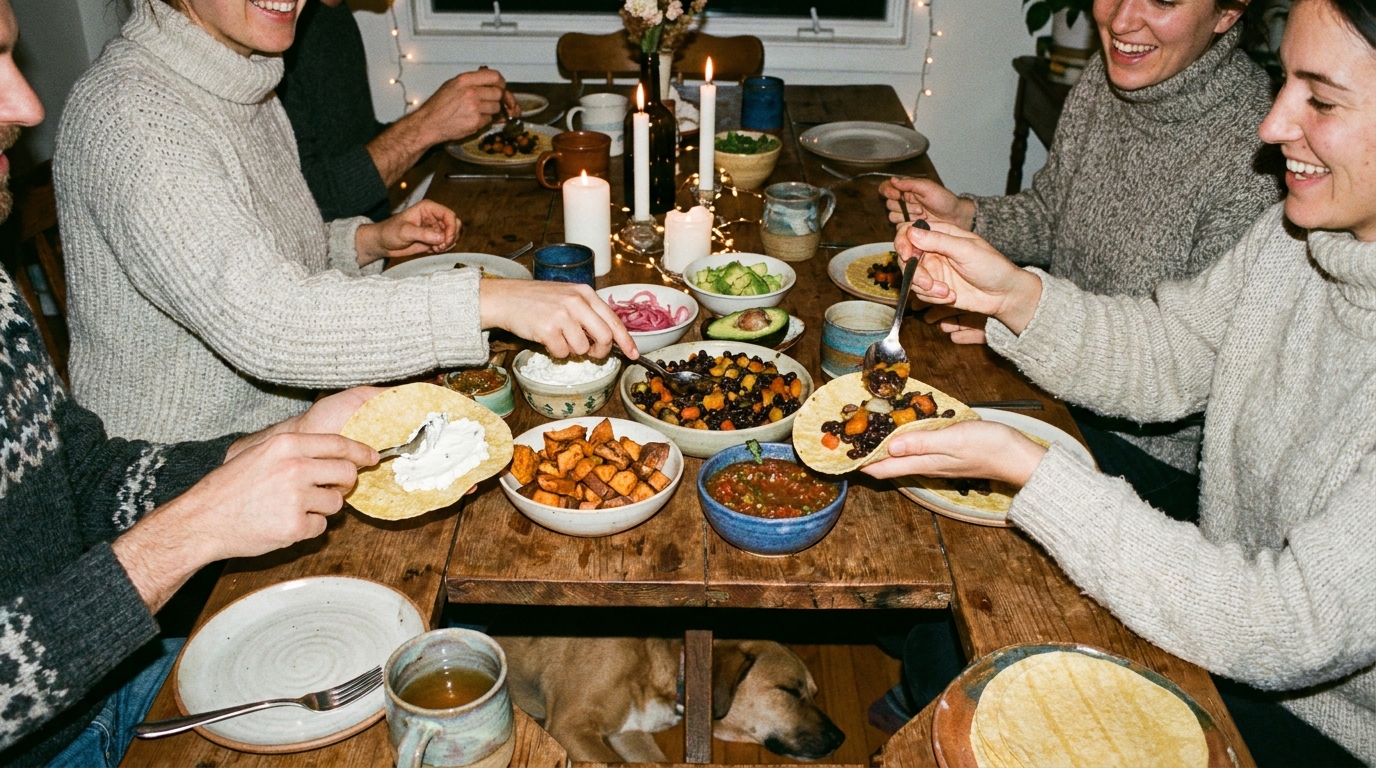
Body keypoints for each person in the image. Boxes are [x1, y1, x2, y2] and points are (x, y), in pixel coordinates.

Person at [866, 0, 1376, 762]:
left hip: (1323, 721)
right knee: (964, 661)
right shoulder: (1296, 239)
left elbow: (1288, 626)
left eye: (1322, 101)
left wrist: (1038, 473)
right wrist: (1012, 296)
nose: (1272, 127)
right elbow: (1170, 350)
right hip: (1221, 622)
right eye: (1286, 85)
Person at [0, 6, 392, 764]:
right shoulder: (128, 110)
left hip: (112, 678)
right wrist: (192, 531)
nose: (28, 105)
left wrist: (264, 448)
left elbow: (78, 473)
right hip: (78, 708)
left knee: (428, 666)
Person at [54, 0, 635, 444]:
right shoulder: (132, 113)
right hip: (184, 476)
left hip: (297, 426)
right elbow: (268, 322)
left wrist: (364, 241)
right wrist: (490, 299)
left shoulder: (246, 76)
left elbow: (269, 249)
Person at [881, 0, 1281, 517]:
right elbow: (1054, 211)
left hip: (1152, 454)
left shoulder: (1263, 151)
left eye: (1163, 0)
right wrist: (969, 215)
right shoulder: (1104, 78)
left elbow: (1188, 365)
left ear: (1227, 13)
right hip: (1054, 377)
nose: (1121, 20)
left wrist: (1026, 315)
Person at [277, 0, 516, 221]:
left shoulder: (333, 15)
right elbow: (308, 204)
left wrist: (453, 122)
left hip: (377, 233)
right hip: (336, 250)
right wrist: (427, 125)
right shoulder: (280, 35)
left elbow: (357, 143)